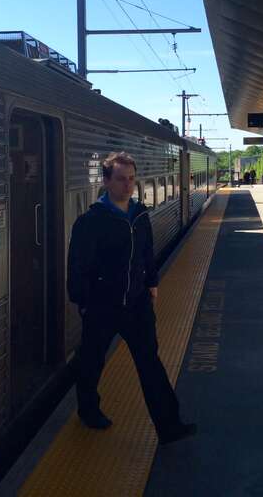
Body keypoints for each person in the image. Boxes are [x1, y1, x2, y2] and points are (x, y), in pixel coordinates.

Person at [67, 151, 196, 444]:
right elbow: (77, 265)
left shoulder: (139, 216)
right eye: (122, 180)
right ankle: (88, 410)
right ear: (107, 181)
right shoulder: (91, 221)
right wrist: (84, 302)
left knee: (150, 362)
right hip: (102, 305)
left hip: (136, 304)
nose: (128, 186)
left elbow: (146, 253)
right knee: (92, 361)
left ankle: (169, 425)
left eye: (132, 179)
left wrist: (152, 282)